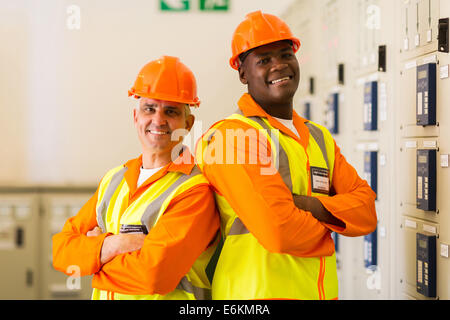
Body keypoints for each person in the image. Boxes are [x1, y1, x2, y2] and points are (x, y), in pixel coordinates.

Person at [195, 11, 377, 300]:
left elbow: (367, 211)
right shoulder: (231, 138)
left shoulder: (318, 137)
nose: (279, 66)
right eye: (264, 60)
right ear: (243, 73)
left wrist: (305, 204)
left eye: (285, 55)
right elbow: (279, 232)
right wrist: (333, 221)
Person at [53, 56, 219, 300]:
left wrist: (92, 261)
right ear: (136, 117)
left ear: (188, 122)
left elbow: (154, 275)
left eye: (171, 111)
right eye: (149, 109)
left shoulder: (194, 191)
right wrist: (114, 245)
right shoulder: (115, 180)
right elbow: (61, 251)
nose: (158, 120)